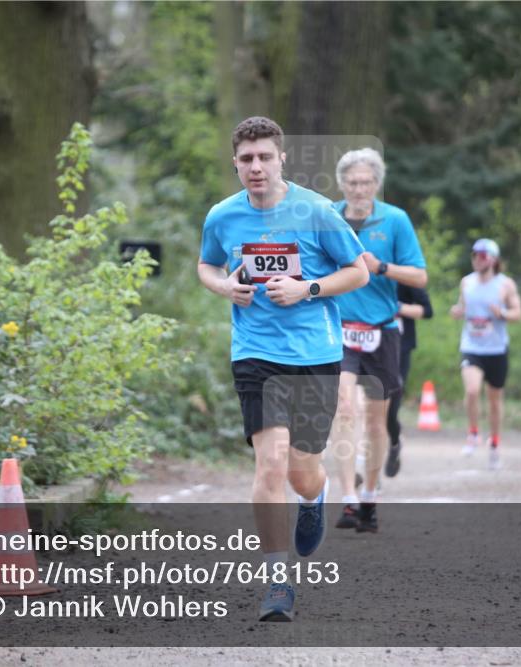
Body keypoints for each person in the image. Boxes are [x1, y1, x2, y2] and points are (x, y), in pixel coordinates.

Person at [198, 117, 368, 621]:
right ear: (235, 162)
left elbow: (358, 270)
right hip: (254, 353)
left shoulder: (315, 212)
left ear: (281, 159)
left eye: (264, 157)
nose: (255, 167)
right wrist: (225, 287)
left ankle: (315, 500)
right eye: (246, 158)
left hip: (314, 356)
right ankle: (277, 581)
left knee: (303, 471)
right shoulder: (222, 217)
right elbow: (206, 265)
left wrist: (307, 288)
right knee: (269, 464)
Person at [329, 148, 427, 533]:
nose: (359, 188)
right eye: (352, 182)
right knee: (344, 407)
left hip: (383, 331)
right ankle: (348, 499)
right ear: (342, 184)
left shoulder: (396, 220)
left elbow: (420, 278)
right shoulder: (328, 218)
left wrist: (381, 267)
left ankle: (370, 495)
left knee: (375, 420)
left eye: (366, 182)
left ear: (377, 183)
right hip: (339, 330)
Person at [449, 239, 521, 470]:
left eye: (482, 255)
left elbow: (518, 313)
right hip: (472, 346)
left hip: (496, 349)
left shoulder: (505, 285)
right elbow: (462, 306)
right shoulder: (466, 282)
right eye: (474, 255)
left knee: (494, 400)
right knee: (471, 390)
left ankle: (495, 444)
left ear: (493, 259)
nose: (477, 259)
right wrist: (458, 311)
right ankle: (473, 434)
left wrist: (502, 313)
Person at [384, 284, 433, 477]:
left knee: (389, 411)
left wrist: (397, 307)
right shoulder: (359, 267)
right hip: (366, 348)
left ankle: (395, 441)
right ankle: (363, 467)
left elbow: (427, 310)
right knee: (364, 408)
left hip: (399, 348)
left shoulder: (403, 274)